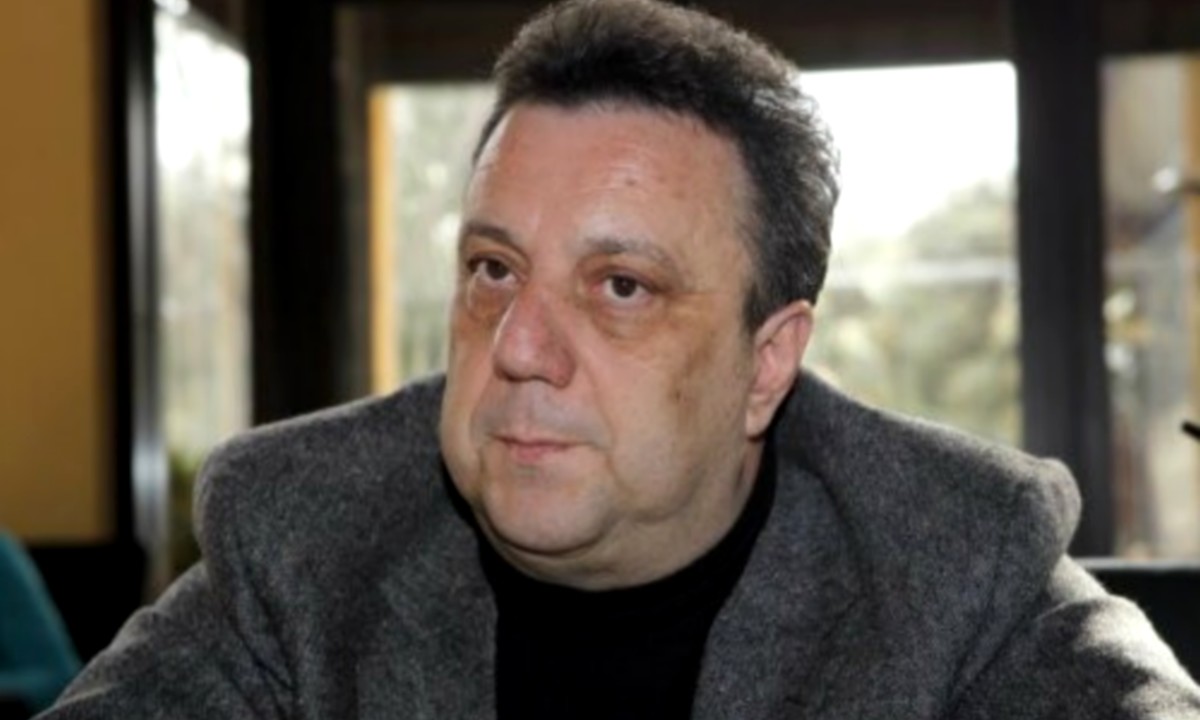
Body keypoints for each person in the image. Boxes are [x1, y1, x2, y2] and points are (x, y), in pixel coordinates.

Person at [40, 0, 1200, 718]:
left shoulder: (958, 560)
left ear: (767, 365)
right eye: (493, 269)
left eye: (622, 287)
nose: (519, 348)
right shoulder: (303, 535)